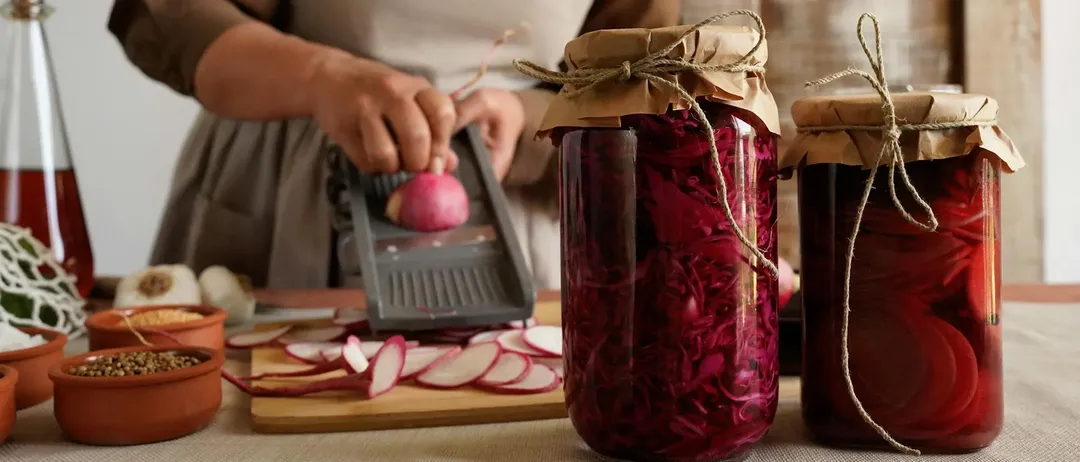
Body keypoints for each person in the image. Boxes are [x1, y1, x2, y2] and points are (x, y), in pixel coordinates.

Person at [106, 0, 682, 290]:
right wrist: (319, 76)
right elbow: (167, 14)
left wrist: (531, 115)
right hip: (287, 191)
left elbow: (642, 69)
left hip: (524, 200)